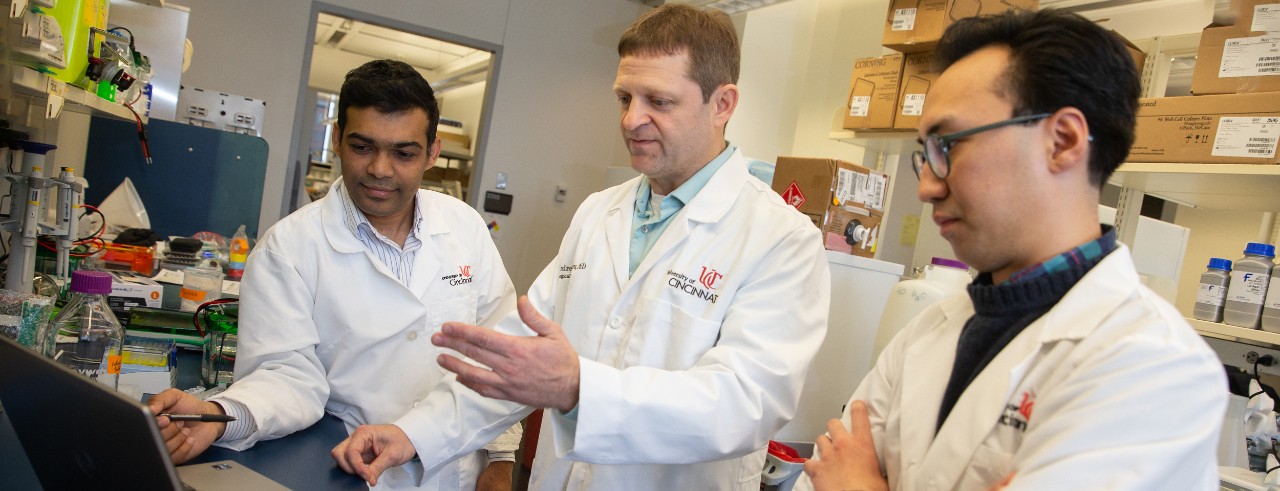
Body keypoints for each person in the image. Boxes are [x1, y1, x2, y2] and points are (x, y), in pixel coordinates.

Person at [330, 5, 832, 490]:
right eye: (624, 98)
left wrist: (579, 390)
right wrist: (414, 433)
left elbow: (745, 404)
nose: (632, 120)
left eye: (658, 101)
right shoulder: (599, 212)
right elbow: (516, 359)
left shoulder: (781, 240)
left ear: (722, 104)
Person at [797, 9, 1227, 491]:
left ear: (1062, 141)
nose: (925, 187)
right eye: (925, 153)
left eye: (949, 147)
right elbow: (821, 472)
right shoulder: (930, 330)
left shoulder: (1154, 367)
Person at [147, 59, 522, 491]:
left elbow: (498, 351)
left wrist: (501, 457)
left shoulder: (464, 226)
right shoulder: (288, 248)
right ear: (338, 140)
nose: (381, 169)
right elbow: (286, 376)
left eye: (404, 153)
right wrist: (218, 416)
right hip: (356, 474)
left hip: (459, 470)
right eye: (363, 147)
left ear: (432, 152)